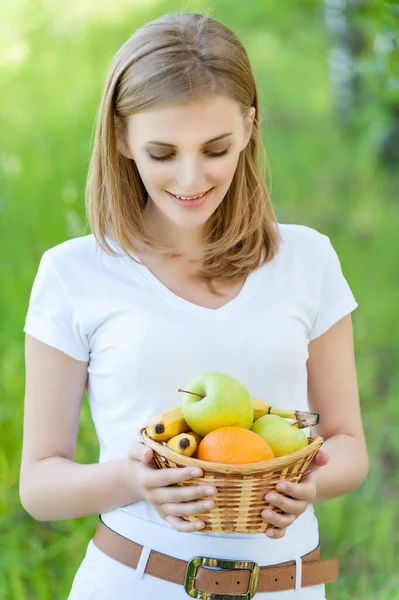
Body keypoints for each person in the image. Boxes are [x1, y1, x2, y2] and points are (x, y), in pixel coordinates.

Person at [19, 11, 369, 600]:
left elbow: (349, 444)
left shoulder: (308, 260)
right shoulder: (74, 272)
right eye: (162, 152)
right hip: (134, 582)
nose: (190, 177)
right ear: (123, 140)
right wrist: (135, 481)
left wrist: (312, 483)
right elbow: (39, 484)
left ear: (250, 127)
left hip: (286, 587)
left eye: (216, 148)